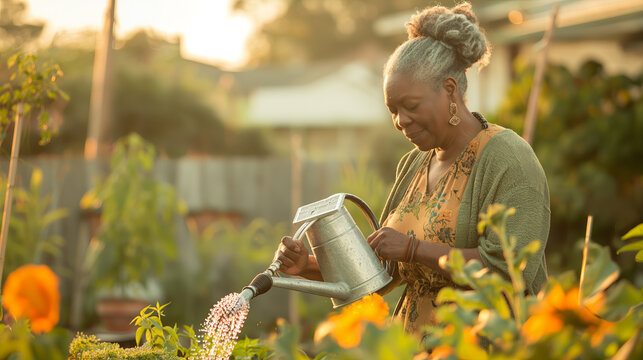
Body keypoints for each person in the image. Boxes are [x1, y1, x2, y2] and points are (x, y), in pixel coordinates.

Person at [275, 2, 550, 336]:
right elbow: (380, 273)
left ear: (449, 89)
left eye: (411, 106)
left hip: (484, 343)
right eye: (393, 109)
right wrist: (307, 266)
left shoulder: (507, 158)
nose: (400, 121)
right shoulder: (414, 165)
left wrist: (414, 249)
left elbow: (509, 269)